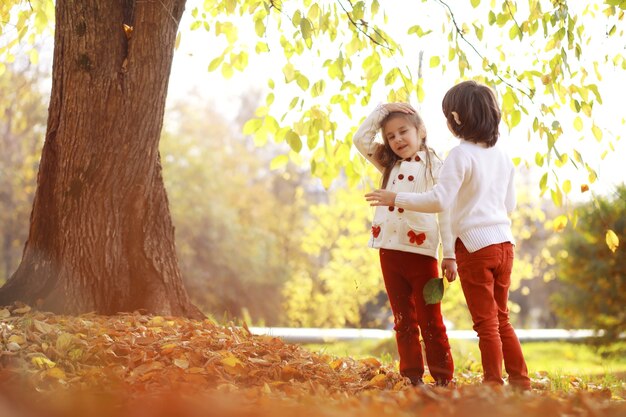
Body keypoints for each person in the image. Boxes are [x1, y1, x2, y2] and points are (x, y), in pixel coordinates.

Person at [364, 81, 532, 391]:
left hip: (474, 246)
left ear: (455, 117)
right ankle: (521, 382)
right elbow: (510, 205)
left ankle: (493, 384)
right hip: (504, 244)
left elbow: (441, 201)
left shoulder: (458, 155)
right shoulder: (503, 156)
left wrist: (395, 198)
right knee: (502, 318)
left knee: (486, 324)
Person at [353, 102, 457, 387]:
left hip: (421, 253)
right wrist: (381, 110)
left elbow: (446, 212)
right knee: (403, 318)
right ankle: (412, 376)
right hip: (389, 251)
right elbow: (359, 140)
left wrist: (449, 255)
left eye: (403, 132)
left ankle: (443, 378)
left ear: (420, 131)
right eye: (390, 136)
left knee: (430, 319)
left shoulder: (436, 167)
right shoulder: (389, 163)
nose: (397, 139)